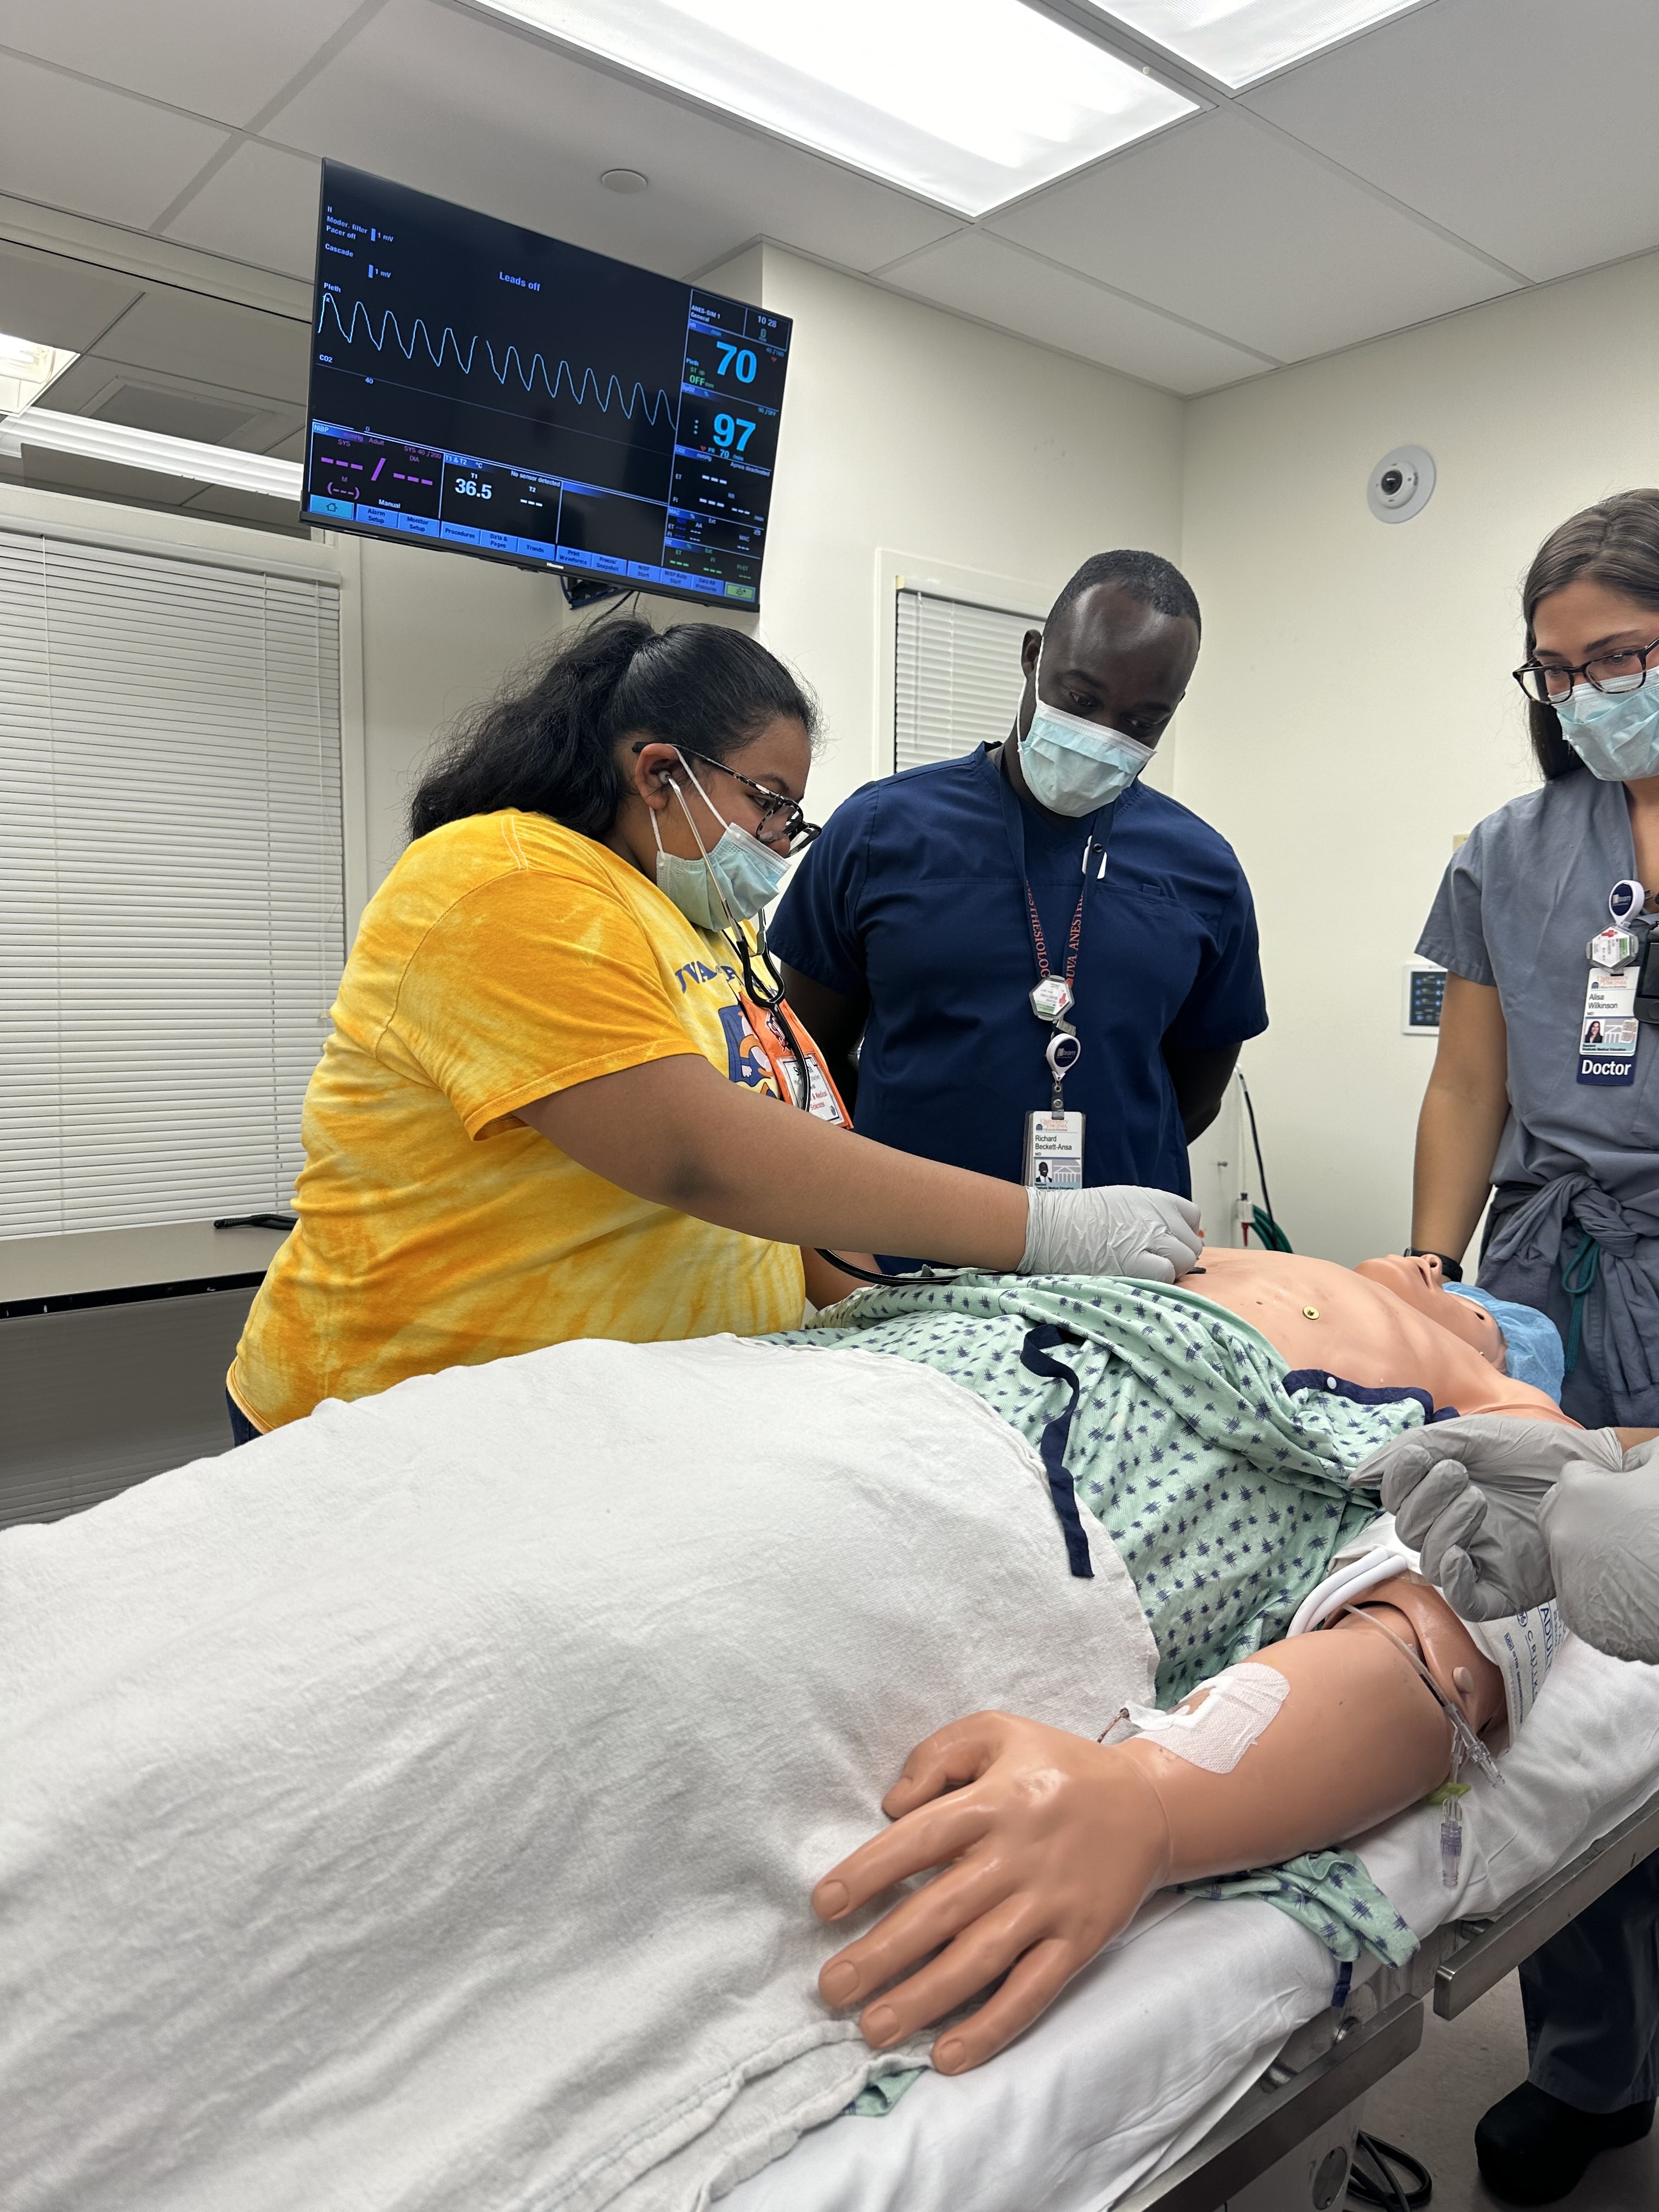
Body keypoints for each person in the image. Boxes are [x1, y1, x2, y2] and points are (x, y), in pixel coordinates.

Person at [10, 1243, 1560, 2210]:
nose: (1432, 1266)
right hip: (698, 1401)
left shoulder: (1492, 1407)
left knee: (374, 1723)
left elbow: (1450, 1653)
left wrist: (1155, 1803)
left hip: (944, 1512)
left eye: (1465, 1288)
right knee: (187, 1583)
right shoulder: (1180, 1256)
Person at [228, 618, 1204, 1436]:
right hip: (407, 1413)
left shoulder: (707, 920)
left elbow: (796, 1137)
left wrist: (894, 1313)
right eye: (769, 803)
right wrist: (1039, 1229)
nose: (778, 841)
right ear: (659, 774)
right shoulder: (505, 883)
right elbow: (697, 1152)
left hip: (637, 1411)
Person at [1402, 487, 1659, 2205]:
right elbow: (1469, 1084)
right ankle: (1593, 2064)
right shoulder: (1508, 850)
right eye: (1558, 670)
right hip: (1557, 1283)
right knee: (1574, 1673)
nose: (1583, 694)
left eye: (1621, 658)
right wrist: (1429, 1272)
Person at [769, 552, 1266, 1257]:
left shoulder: (1203, 870)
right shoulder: (881, 831)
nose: (1101, 734)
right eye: (1081, 698)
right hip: (909, 1261)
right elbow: (808, 1052)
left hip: (1124, 1271)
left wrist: (1090, 1194)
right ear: (1033, 656)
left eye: (1142, 721)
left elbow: (1196, 1094)